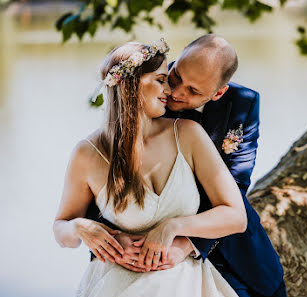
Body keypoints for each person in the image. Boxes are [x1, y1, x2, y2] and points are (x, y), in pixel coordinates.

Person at [86, 34, 286, 297]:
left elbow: (235, 185)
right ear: (177, 60)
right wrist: (109, 237)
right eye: (176, 76)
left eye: (194, 91)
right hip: (148, 252)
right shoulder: (146, 92)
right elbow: (106, 174)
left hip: (226, 244)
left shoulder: (242, 104)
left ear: (219, 93)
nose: (176, 93)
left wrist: (187, 242)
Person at [53, 39, 247, 297]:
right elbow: (61, 229)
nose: (171, 90)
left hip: (186, 283)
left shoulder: (188, 134)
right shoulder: (87, 153)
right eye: (161, 79)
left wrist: (173, 227)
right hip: (118, 285)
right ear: (130, 83)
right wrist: (80, 227)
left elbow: (236, 217)